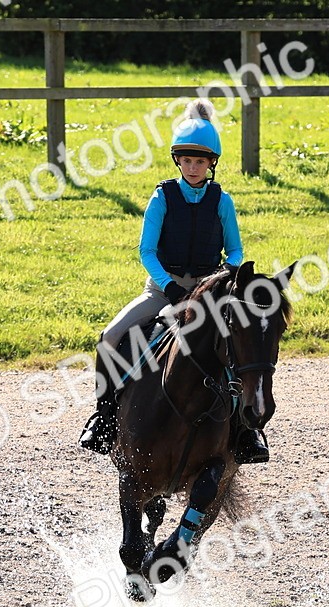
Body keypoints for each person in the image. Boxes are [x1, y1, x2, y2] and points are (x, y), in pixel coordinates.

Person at [78, 99, 270, 464]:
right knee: (110, 338)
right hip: (163, 290)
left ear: (212, 163)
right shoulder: (162, 197)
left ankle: (248, 432)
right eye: (187, 160)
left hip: (209, 291)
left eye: (201, 161)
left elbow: (236, 251)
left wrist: (221, 280)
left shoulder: (222, 201)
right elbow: (146, 250)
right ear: (177, 161)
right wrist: (169, 287)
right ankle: (103, 417)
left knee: (241, 347)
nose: (194, 167)